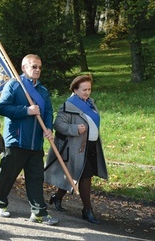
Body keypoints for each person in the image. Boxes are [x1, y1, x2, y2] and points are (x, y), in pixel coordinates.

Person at [0, 54, 59, 225]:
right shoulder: (14, 85)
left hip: (36, 142)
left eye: (39, 67)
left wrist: (49, 128)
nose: (37, 70)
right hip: (16, 140)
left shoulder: (43, 91)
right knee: (8, 175)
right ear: (24, 68)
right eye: (33, 66)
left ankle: (39, 212)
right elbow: (3, 108)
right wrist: (26, 110)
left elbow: (48, 112)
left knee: (36, 178)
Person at [44, 74, 108, 224]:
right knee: (85, 177)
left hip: (91, 147)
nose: (87, 92)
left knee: (75, 174)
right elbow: (58, 125)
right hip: (76, 148)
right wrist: (74, 128)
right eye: (84, 89)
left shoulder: (91, 103)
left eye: (89, 89)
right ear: (75, 90)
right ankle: (87, 210)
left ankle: (57, 197)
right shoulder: (68, 105)